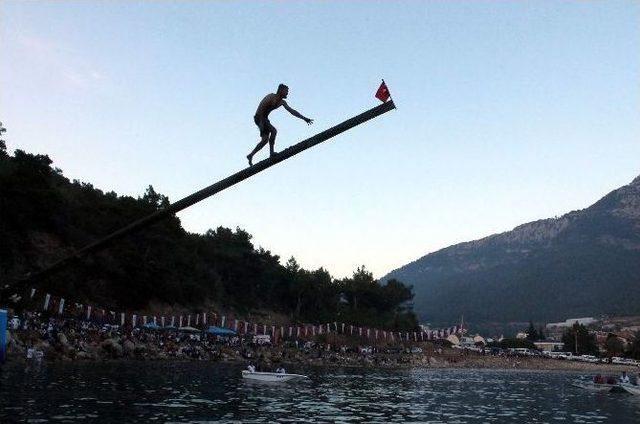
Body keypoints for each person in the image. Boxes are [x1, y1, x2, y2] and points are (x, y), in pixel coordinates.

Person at [247, 84, 313, 166]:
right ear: (281, 90)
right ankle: (271, 153)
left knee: (264, 141)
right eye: (286, 91)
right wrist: (261, 123)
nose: (287, 93)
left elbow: (292, 111)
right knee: (274, 131)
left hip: (264, 118)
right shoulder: (271, 97)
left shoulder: (282, 102)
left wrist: (304, 118)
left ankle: (251, 155)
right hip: (259, 117)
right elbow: (261, 108)